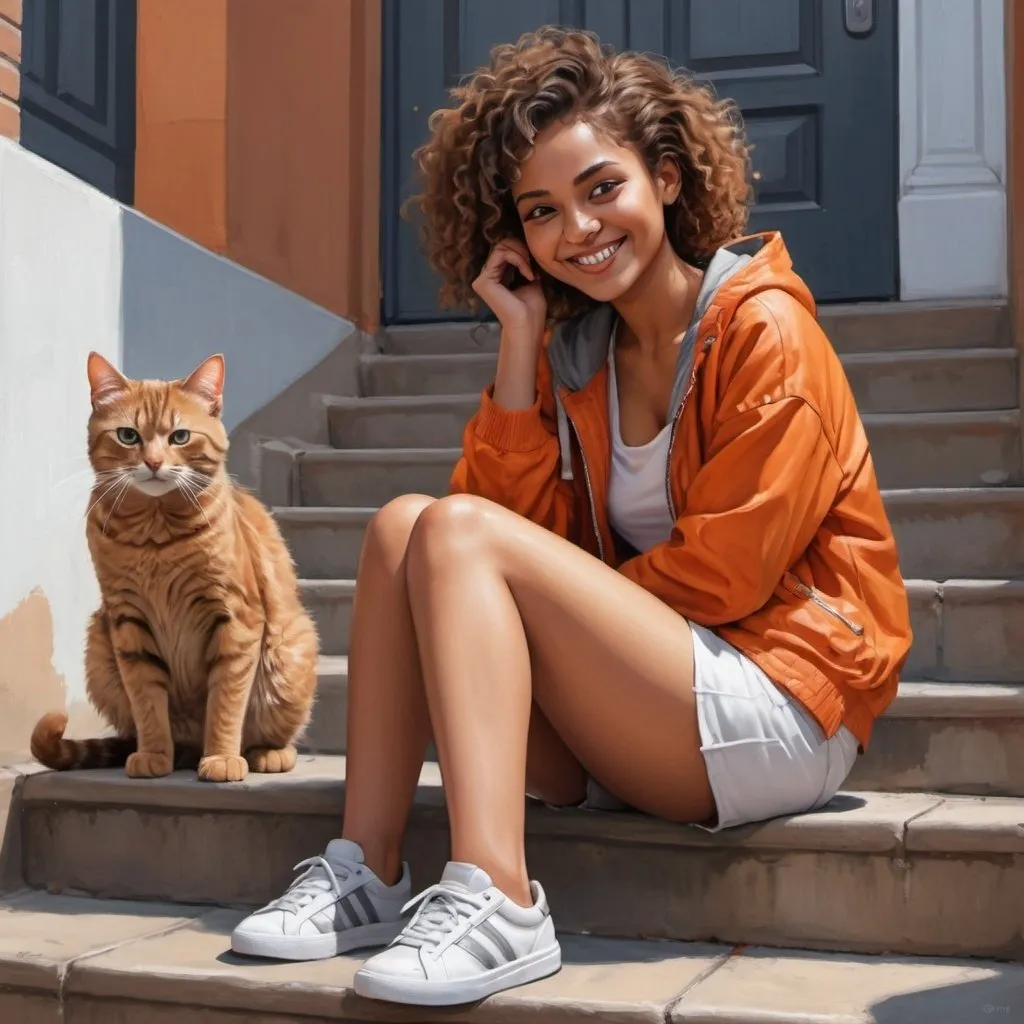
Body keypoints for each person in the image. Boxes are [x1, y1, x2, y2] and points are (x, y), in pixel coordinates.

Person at [229, 26, 913, 1007]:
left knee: (455, 535)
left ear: (667, 179)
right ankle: (366, 870)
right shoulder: (573, 354)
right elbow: (470, 533)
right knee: (403, 524)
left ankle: (502, 899)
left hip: (779, 702)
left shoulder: (764, 329)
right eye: (543, 211)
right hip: (649, 700)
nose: (577, 230)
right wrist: (522, 344)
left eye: (602, 188)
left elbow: (727, 576)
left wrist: (538, 623)